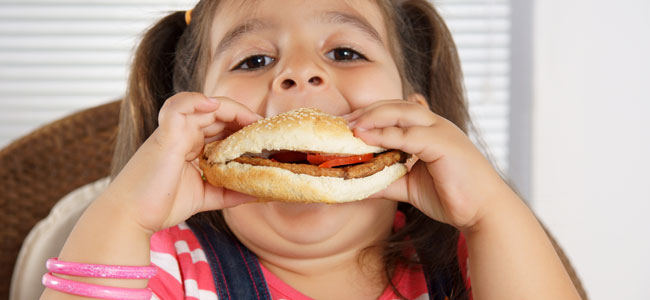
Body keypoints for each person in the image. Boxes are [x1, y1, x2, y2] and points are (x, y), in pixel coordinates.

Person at [40, 0, 582, 299]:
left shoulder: (470, 257)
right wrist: (127, 212)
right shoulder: (161, 261)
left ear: (417, 115)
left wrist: (490, 212)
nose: (301, 73)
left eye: (345, 51)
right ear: (203, 127)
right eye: (253, 61)